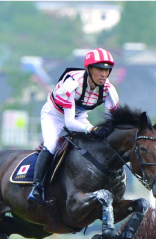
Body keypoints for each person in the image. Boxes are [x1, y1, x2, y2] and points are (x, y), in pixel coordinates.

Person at [27, 48, 120, 207]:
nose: (104, 74)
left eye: (107, 70)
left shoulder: (108, 90)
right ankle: (37, 187)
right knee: (50, 145)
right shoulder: (72, 84)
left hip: (79, 116)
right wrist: (91, 130)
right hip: (54, 115)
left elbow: (111, 120)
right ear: (89, 69)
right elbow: (69, 123)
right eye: (99, 69)